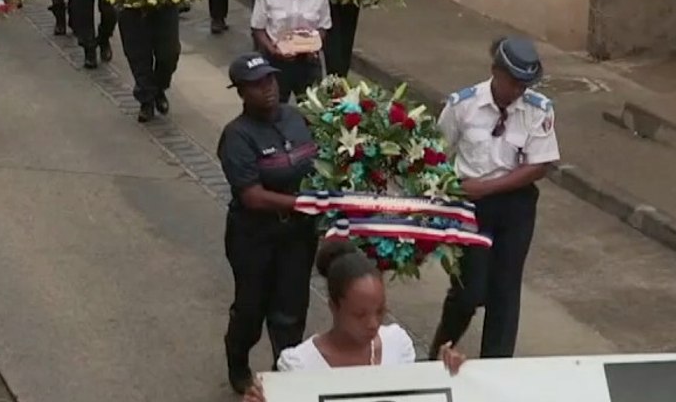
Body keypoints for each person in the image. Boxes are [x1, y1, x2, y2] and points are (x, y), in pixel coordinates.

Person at [429, 36, 559, 360]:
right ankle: (439, 351)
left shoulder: (537, 110)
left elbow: (538, 166)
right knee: (469, 290)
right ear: (495, 72)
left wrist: (485, 188)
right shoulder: (462, 105)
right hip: (470, 209)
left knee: (505, 288)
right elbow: (435, 153)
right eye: (513, 82)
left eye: (524, 85)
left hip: (514, 204)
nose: (518, 91)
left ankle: (497, 365)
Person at [240, 240, 466, 401]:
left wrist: (448, 373)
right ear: (334, 307)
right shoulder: (300, 366)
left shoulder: (397, 345)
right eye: (359, 314)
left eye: (380, 311)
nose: (372, 323)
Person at [217, 51, 319, 394]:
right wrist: (301, 203)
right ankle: (238, 360)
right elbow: (252, 196)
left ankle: (282, 380)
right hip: (254, 235)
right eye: (257, 85)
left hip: (297, 234)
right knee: (251, 309)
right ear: (242, 93)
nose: (268, 89)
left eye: (270, 80)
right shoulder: (237, 136)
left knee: (290, 311)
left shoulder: (296, 118)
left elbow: (321, 160)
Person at [250, 0, 330, 103]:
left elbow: (323, 26)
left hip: (308, 63)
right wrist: (273, 50)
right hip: (276, 63)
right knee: (274, 113)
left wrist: (314, 46)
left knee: (312, 114)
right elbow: (258, 28)